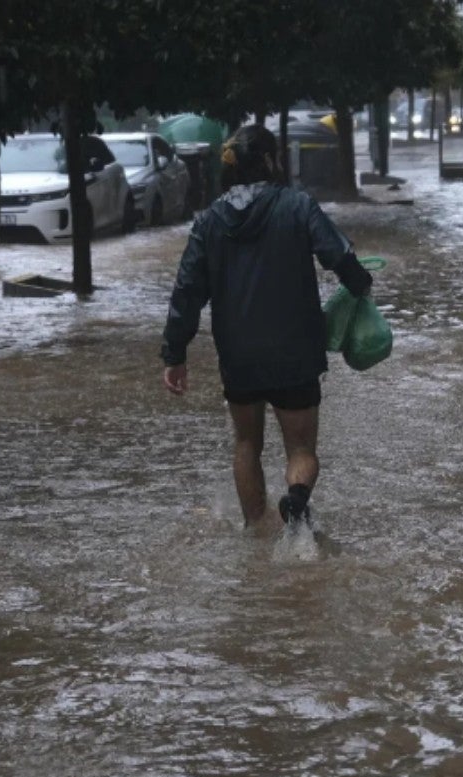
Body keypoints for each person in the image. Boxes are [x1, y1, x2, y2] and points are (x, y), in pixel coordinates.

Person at [159, 124, 374, 529]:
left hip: (239, 357)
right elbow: (340, 256)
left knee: (246, 444)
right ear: (271, 161)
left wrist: (175, 354)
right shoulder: (298, 206)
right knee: (301, 450)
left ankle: (256, 537)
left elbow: (187, 291)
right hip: (295, 353)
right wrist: (361, 285)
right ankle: (295, 502)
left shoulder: (208, 223)